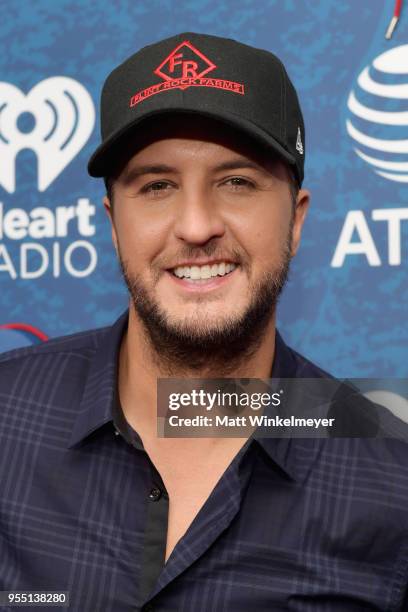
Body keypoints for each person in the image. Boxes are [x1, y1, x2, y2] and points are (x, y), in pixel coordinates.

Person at [0, 32, 407, 612]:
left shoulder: (392, 481)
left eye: (236, 182)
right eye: (157, 186)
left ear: (295, 219)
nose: (195, 226)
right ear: (114, 223)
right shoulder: (6, 421)